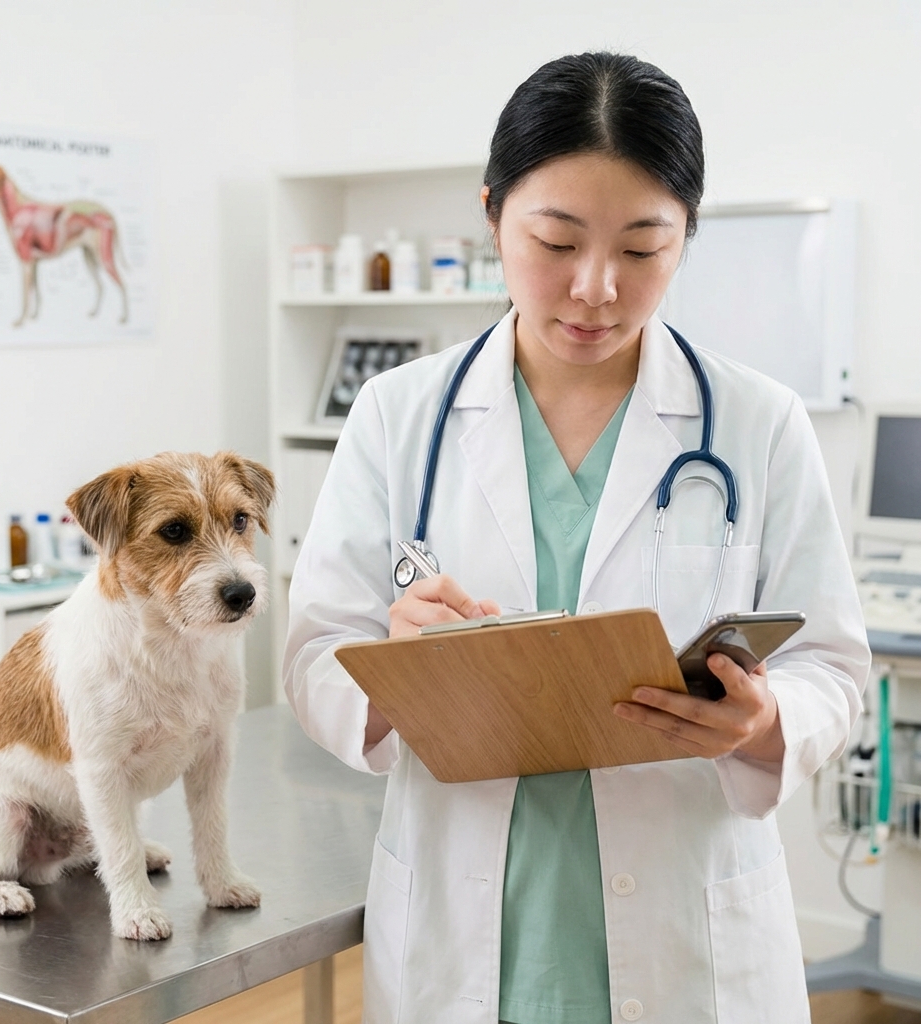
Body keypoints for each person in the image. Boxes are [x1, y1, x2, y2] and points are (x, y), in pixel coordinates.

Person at [284, 52, 870, 1024]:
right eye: (554, 240)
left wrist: (764, 723)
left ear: (688, 235)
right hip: (463, 935)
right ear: (490, 214)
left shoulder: (757, 423)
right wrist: (392, 665)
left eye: (643, 249)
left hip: (686, 942)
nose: (594, 288)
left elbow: (831, 666)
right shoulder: (398, 416)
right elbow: (314, 650)